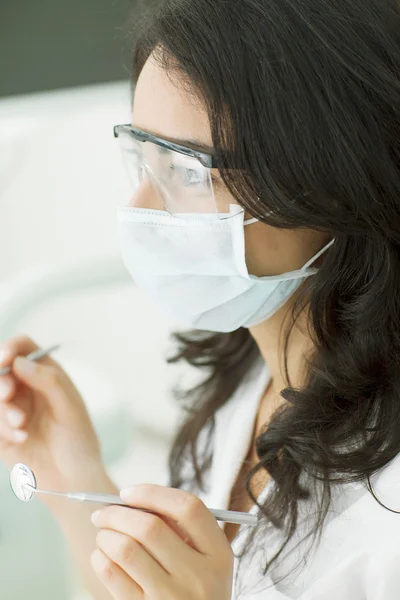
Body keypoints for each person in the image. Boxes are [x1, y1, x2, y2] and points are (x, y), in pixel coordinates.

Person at [1, 0, 400, 598]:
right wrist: (73, 475)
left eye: (188, 171)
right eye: (142, 155)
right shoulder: (244, 383)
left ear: (334, 181)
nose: (139, 209)